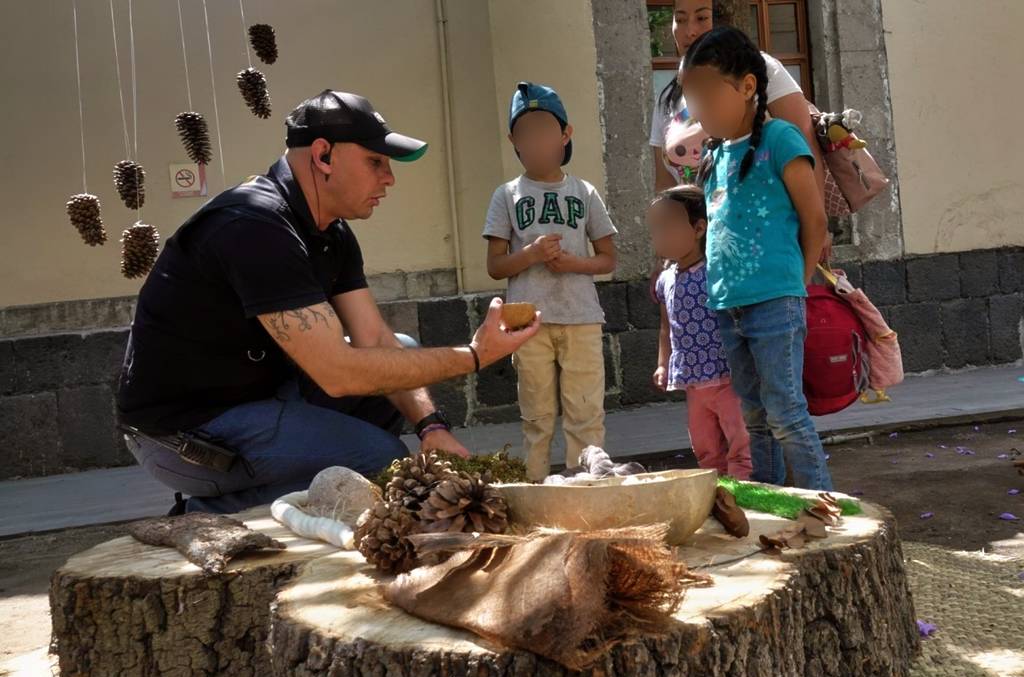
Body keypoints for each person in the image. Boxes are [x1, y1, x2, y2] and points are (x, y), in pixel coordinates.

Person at [117, 90, 539, 514]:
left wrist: (431, 427)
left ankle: (313, 479)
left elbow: (373, 336)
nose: (389, 178)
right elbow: (337, 374)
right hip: (183, 435)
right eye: (375, 161)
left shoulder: (329, 233)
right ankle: (206, 514)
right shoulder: (253, 227)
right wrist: (473, 356)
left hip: (259, 399)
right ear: (322, 156)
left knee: (399, 357)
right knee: (380, 461)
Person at [681, 27, 833, 490]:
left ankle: (823, 502)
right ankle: (769, 501)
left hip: (776, 302)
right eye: (692, 99)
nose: (699, 110)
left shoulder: (782, 139)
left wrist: (795, 284)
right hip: (730, 307)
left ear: (748, 87)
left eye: (708, 94)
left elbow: (816, 221)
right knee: (754, 416)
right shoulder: (714, 156)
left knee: (785, 410)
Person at [483, 82, 618, 483]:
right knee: (537, 417)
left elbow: (608, 259)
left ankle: (587, 491)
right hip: (529, 325)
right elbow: (495, 266)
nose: (537, 139)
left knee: (586, 415)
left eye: (545, 129)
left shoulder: (585, 191)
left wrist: (573, 262)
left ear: (565, 135)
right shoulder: (506, 195)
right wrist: (532, 254)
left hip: (581, 318)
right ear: (514, 141)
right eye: (526, 131)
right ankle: (537, 493)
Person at [649, 0, 825, 194]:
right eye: (680, 19)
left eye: (701, 18)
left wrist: (811, 223)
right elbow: (664, 187)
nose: (689, 31)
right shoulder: (667, 98)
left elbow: (808, 161)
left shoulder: (763, 69)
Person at [649, 184, 751, 479]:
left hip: (727, 376)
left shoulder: (716, 271)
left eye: (668, 226)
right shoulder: (665, 279)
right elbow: (665, 325)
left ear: (698, 228)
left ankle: (745, 491)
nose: (660, 235)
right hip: (693, 381)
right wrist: (662, 362)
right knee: (705, 446)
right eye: (655, 229)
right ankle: (717, 493)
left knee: (741, 441)